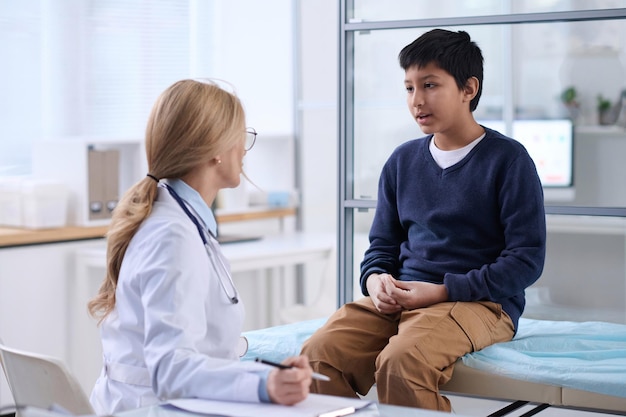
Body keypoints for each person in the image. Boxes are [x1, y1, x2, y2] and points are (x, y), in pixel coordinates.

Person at [301, 29, 546, 411]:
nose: (417, 101)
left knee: (401, 363)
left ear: (468, 88)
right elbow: (381, 247)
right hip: (402, 299)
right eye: (409, 88)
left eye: (430, 85)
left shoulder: (509, 161)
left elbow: (526, 261)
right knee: (315, 359)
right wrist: (374, 279)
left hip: (484, 304)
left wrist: (443, 291)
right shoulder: (402, 161)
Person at [87, 79, 312, 415]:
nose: (244, 149)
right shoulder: (172, 236)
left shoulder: (175, 218)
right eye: (241, 136)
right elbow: (172, 370)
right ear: (215, 150)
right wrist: (263, 385)